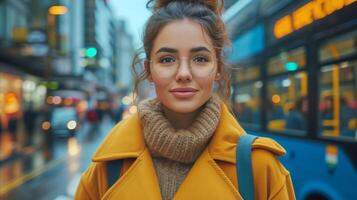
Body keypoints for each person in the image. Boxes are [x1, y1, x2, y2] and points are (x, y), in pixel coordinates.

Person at [75, 1, 295, 199]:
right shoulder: (107, 168)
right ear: (149, 70)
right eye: (167, 59)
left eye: (200, 59)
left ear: (218, 68)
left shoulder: (259, 168)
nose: (183, 73)